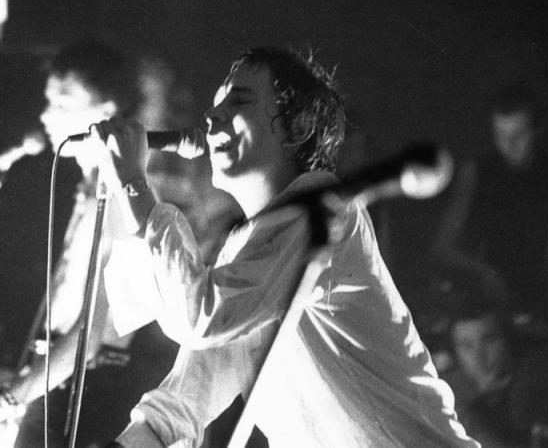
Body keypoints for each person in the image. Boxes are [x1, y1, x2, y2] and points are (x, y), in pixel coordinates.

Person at [92, 47, 478, 447]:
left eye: (237, 101)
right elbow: (179, 406)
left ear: (299, 127)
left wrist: (134, 183)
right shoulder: (245, 260)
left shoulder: (321, 208)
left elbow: (201, 316)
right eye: (214, 104)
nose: (210, 116)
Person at [0, 41, 194, 447]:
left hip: (92, 396)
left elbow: (88, 337)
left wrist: (7, 400)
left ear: (106, 112)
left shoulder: (117, 198)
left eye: (62, 103)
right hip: (68, 386)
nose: (45, 116)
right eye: (47, 102)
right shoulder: (90, 189)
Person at [432, 84, 548, 317]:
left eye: (518, 135)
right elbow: (443, 247)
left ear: (538, 130)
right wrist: (483, 272)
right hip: (488, 297)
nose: (508, 145)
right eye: (500, 135)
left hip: (544, 289)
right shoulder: (476, 172)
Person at [442, 300, 548, 447]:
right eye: (466, 346)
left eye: (489, 340)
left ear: (507, 340)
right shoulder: (447, 388)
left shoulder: (538, 379)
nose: (479, 355)